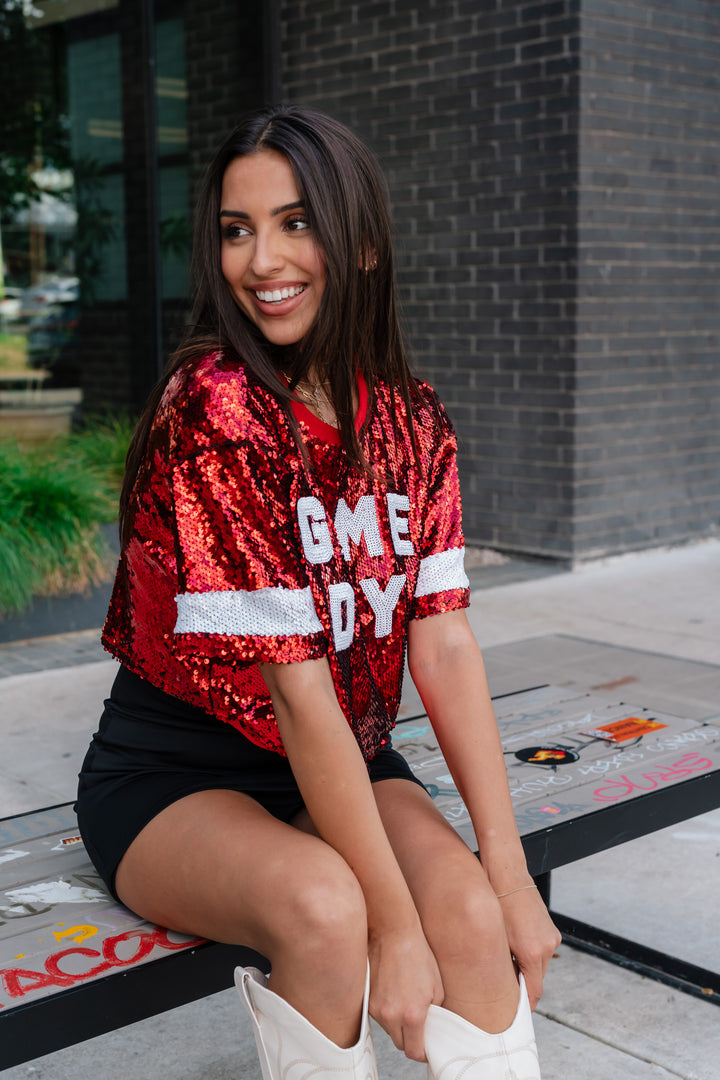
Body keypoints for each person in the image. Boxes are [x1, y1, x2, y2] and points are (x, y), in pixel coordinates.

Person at [76, 105, 561, 1080]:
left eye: (296, 222)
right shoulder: (215, 410)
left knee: (471, 912)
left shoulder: (413, 419)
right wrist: (394, 925)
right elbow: (295, 694)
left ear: (364, 246)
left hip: (349, 751)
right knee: (330, 909)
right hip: (179, 776)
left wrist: (507, 870)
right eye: (236, 228)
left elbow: (446, 642)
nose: (262, 259)